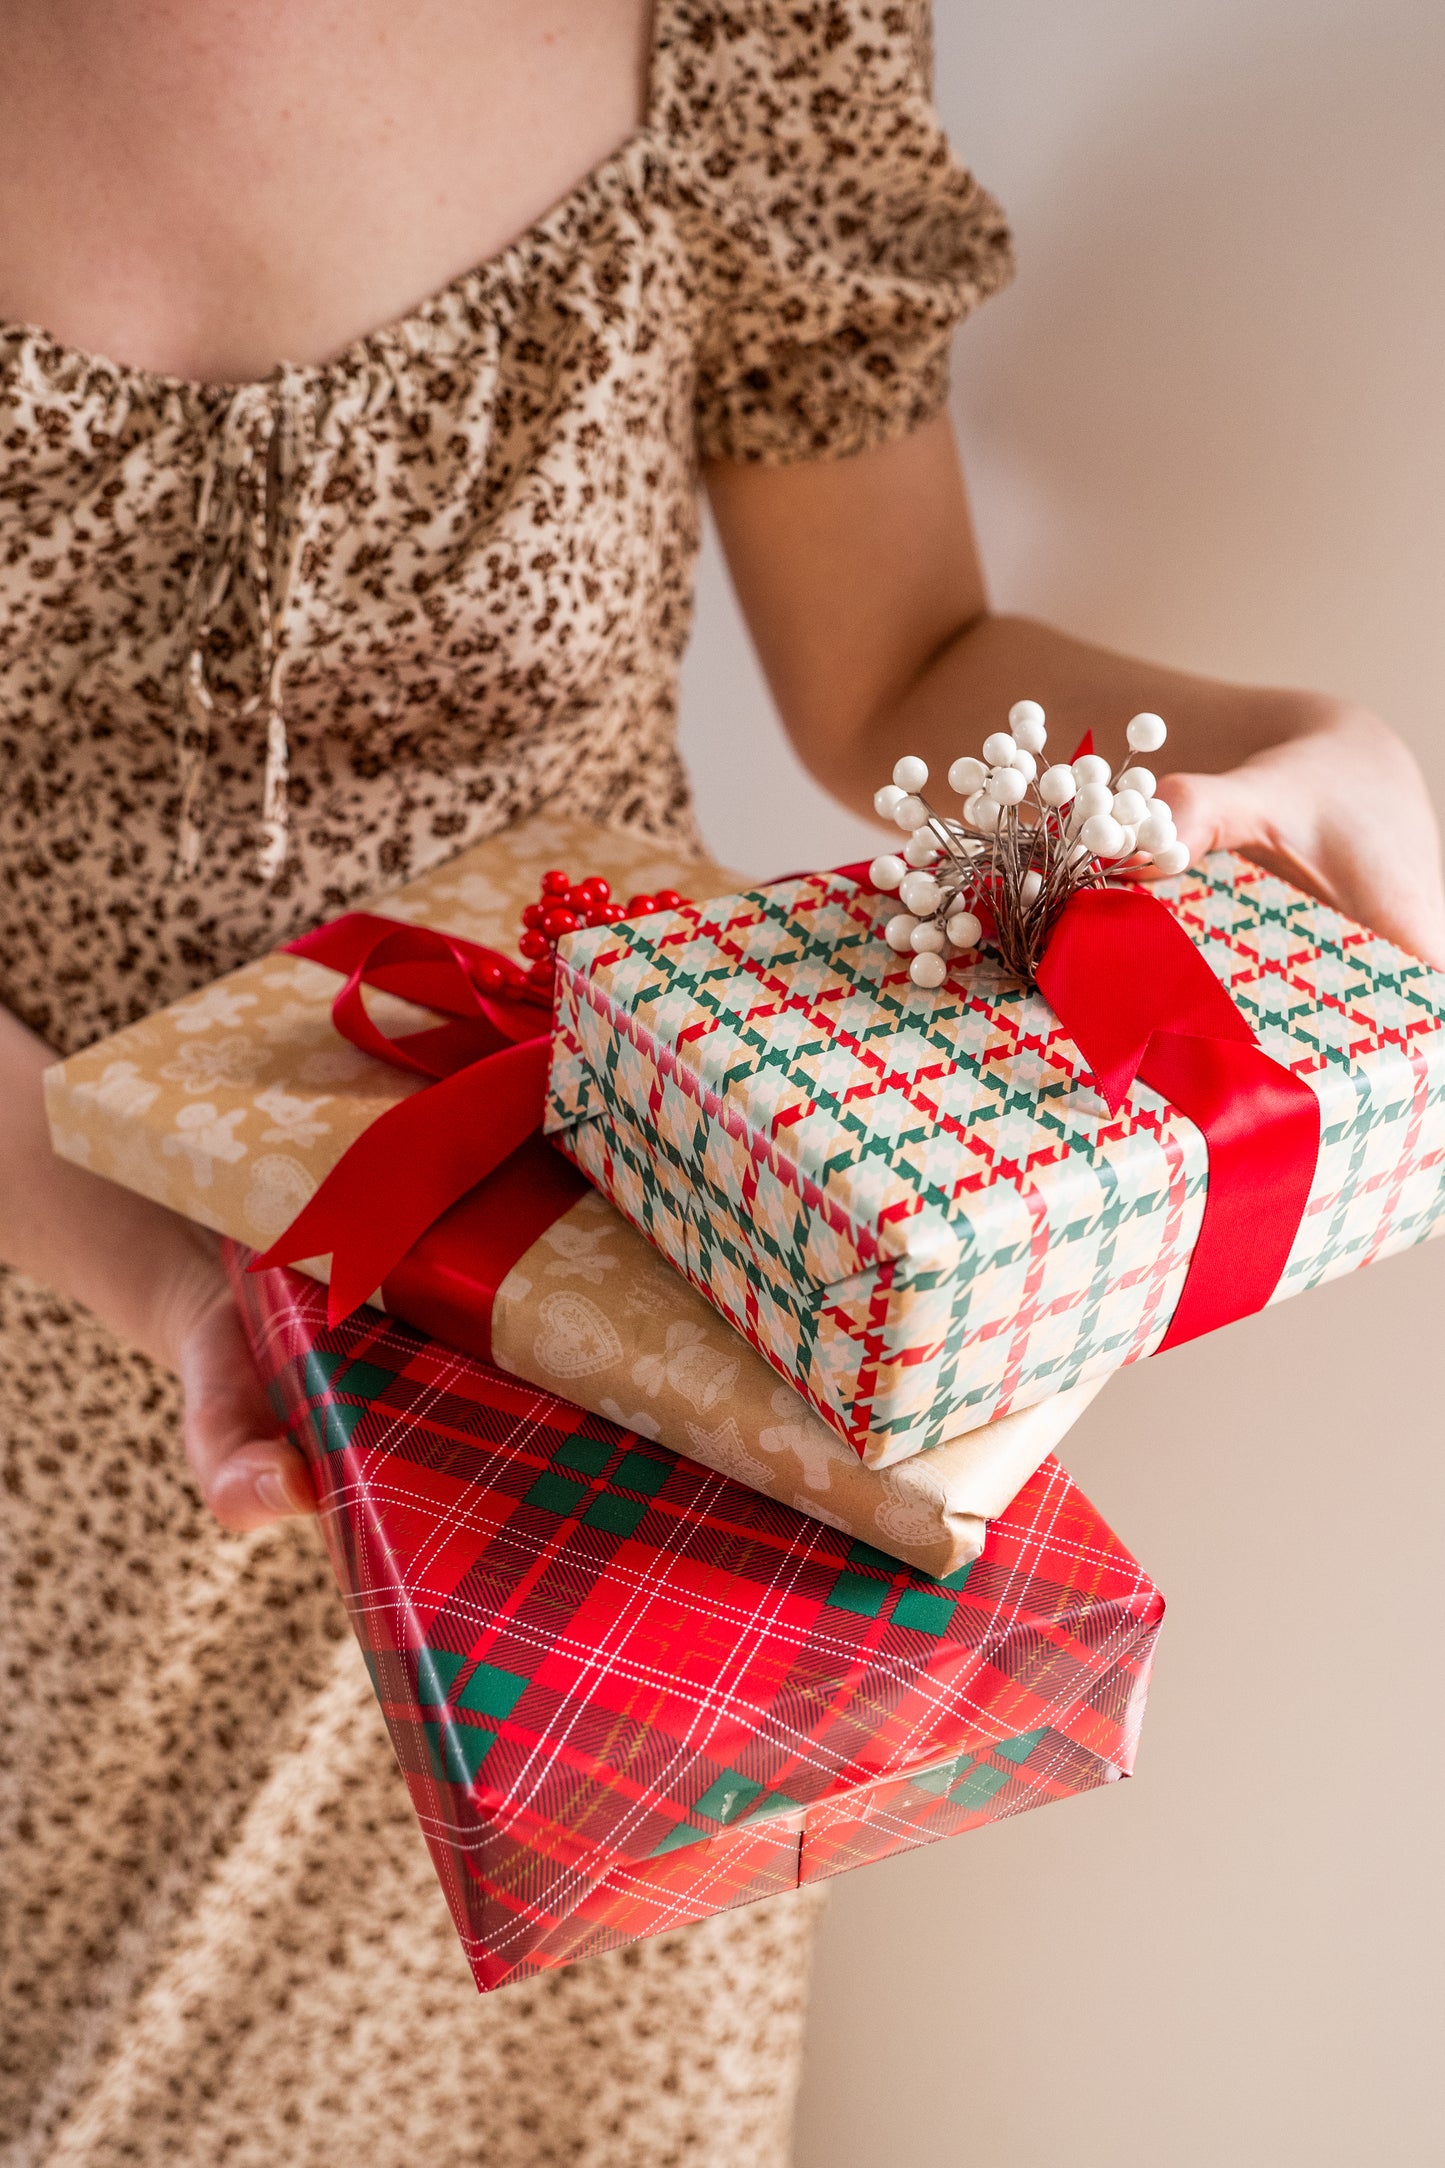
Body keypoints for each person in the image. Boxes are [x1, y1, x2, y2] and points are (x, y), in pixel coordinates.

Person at [1, 2, 1440, 2163]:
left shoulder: (748, 24)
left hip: (614, 1389)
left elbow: (900, 667)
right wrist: (153, 1254)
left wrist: (1260, 748)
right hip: (63, 1458)